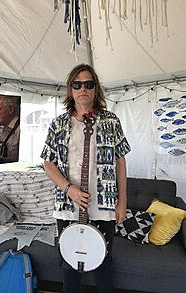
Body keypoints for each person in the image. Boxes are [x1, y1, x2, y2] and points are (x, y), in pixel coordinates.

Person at [40, 64, 131, 293]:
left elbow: (120, 161)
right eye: (77, 84)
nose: (83, 89)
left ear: (95, 89)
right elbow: (47, 163)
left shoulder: (111, 121)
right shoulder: (58, 124)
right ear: (71, 89)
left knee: (103, 261)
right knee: (70, 263)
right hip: (68, 205)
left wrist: (122, 201)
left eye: (89, 84)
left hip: (104, 206)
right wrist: (69, 188)